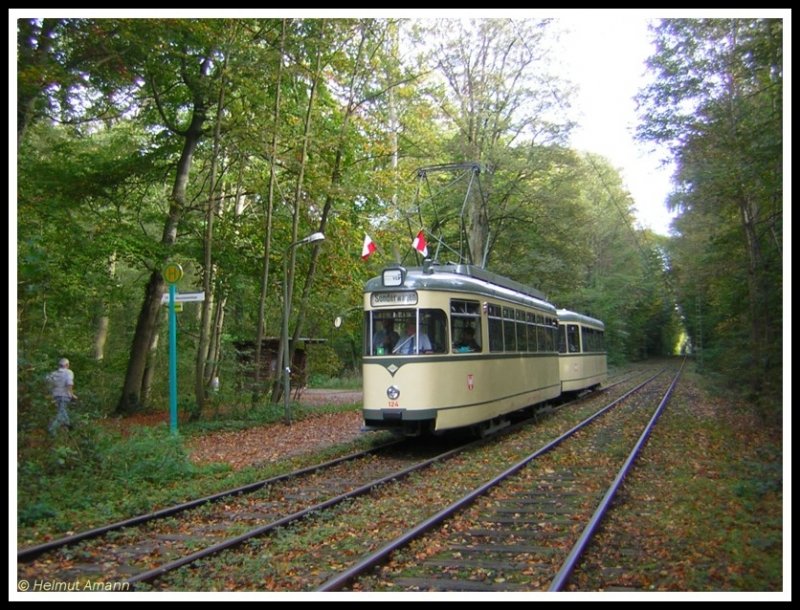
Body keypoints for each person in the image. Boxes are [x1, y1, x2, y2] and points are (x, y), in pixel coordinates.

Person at [47, 357, 76, 435]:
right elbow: (69, 384)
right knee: (61, 412)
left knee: (62, 411)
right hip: (65, 395)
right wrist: (72, 395)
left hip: (55, 396)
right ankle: (52, 429)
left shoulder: (53, 373)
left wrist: (50, 393)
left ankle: (68, 428)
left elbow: (48, 383)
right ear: (67, 365)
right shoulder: (69, 372)